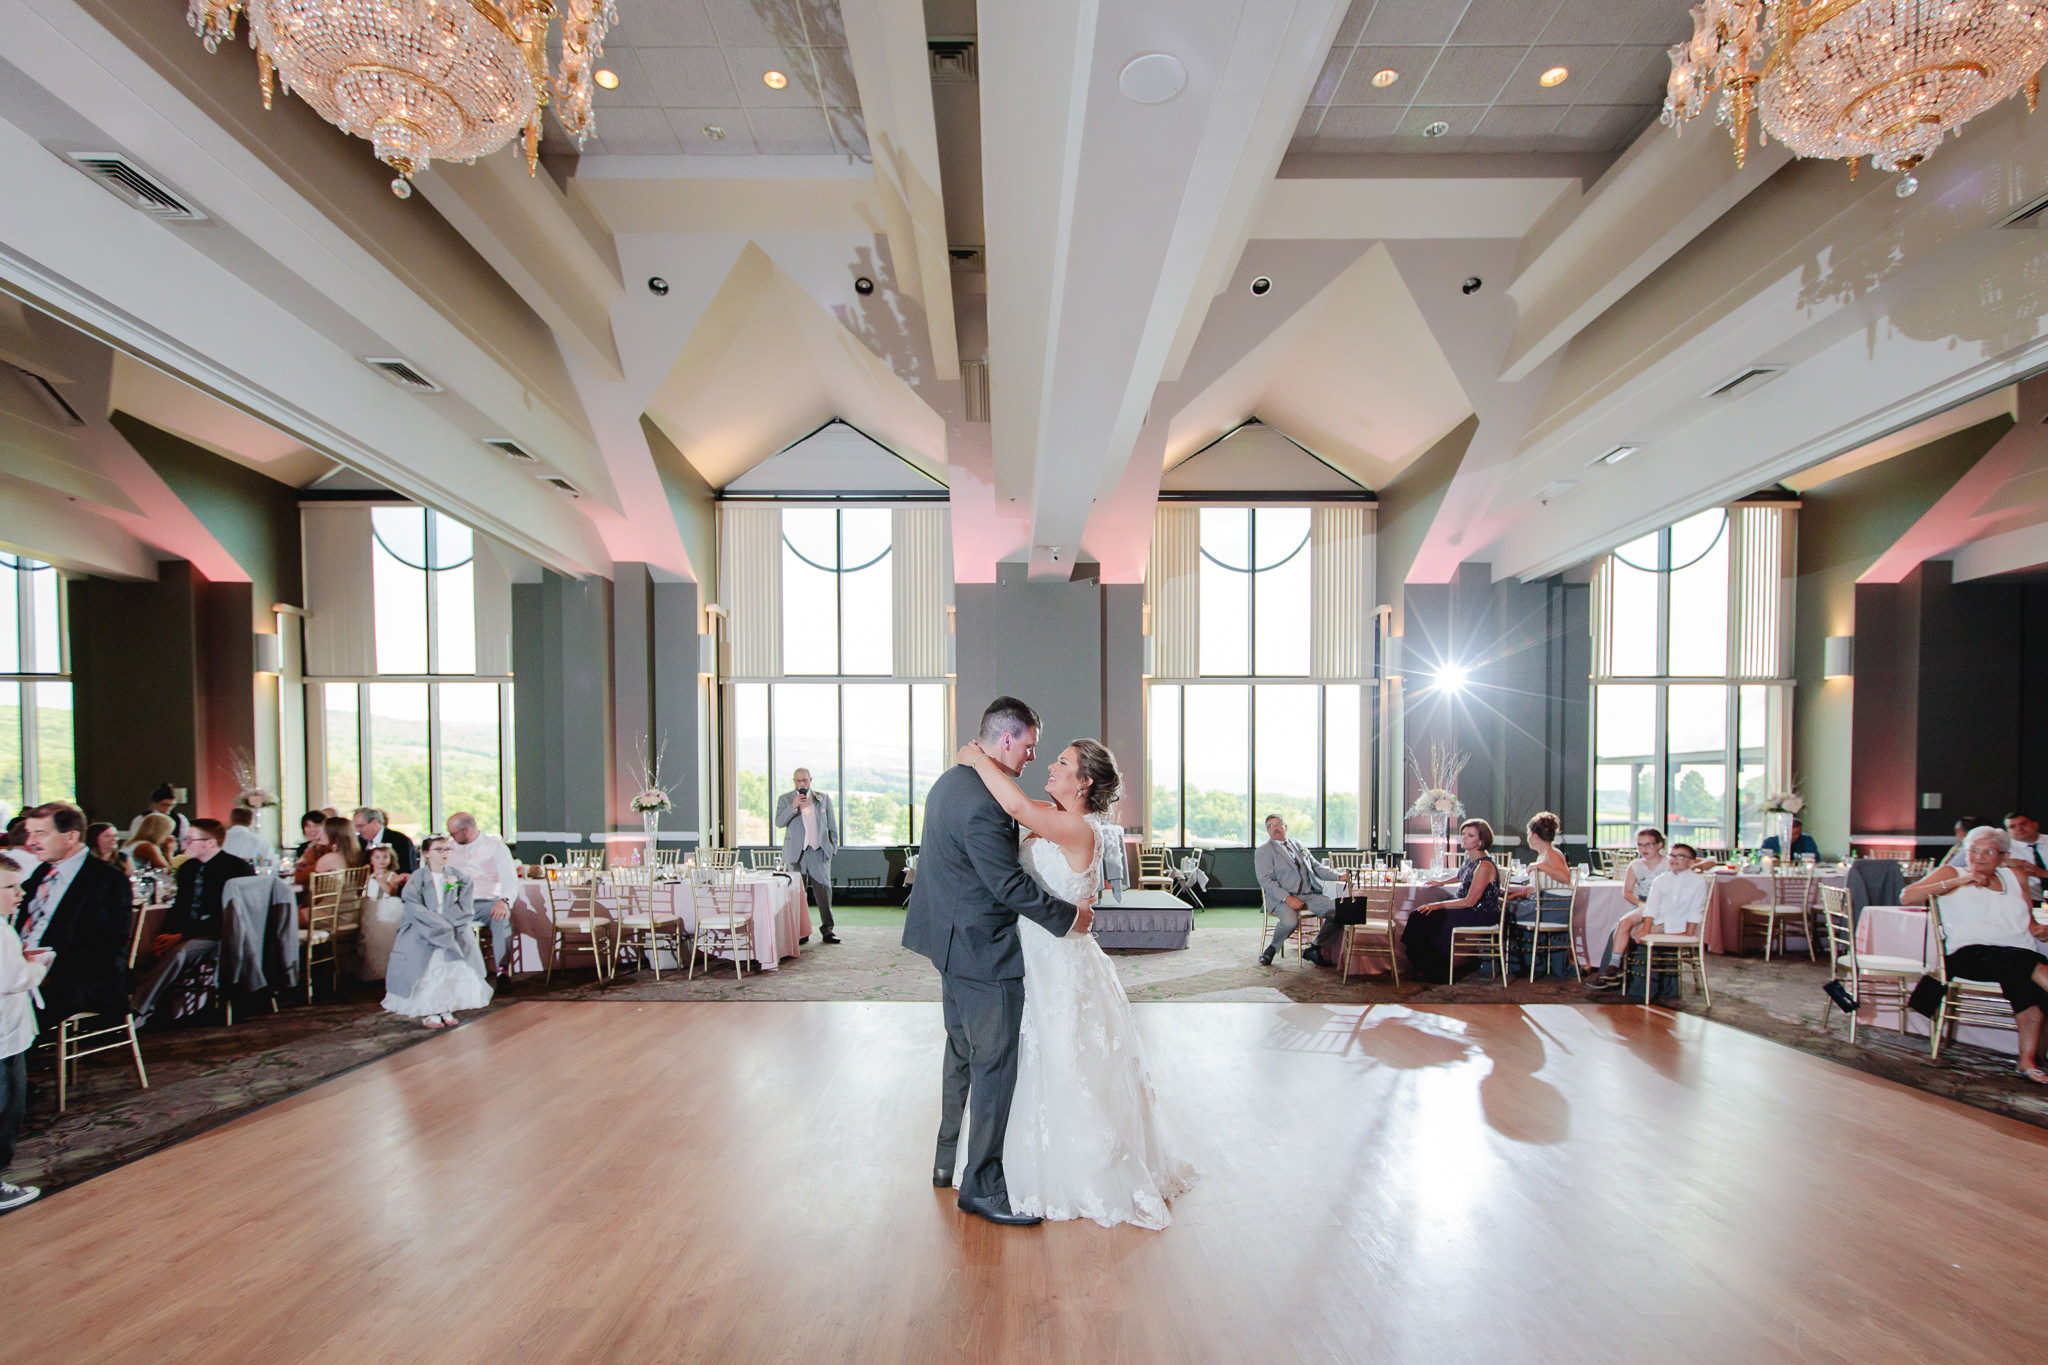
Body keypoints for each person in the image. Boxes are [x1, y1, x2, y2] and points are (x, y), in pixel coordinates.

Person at [951, 733, 1194, 1228]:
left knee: (1065, 1059)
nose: (1051, 766)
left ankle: (1079, 1172)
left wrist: (976, 757)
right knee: (1034, 1059)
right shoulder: (1056, 818)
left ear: (1084, 782)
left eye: (1062, 762)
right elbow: (1020, 806)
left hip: (1060, 961)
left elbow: (1015, 804)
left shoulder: (1078, 829)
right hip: (1037, 952)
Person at [902, 696, 1094, 1228]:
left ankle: (947, 1161)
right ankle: (982, 1188)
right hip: (981, 950)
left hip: (948, 941)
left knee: (962, 1051)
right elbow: (1007, 885)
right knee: (995, 1062)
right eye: (1031, 746)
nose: (1034, 756)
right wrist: (1067, 918)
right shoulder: (985, 800)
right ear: (1006, 739)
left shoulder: (954, 780)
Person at [1904, 826, 2048, 1083]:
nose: (1979, 857)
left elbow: (2028, 916)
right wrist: (1961, 881)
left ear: (2003, 856)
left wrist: (2039, 928)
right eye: (1973, 851)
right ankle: (2027, 1059)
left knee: (2024, 980)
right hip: (1969, 955)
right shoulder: (1952, 872)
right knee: (2029, 966)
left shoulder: (2016, 877)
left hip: (2016, 953)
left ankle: (2026, 1060)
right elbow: (1907, 897)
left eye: (1988, 852)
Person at [16, 803, 132, 1031]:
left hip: (79, 977)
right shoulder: (41, 872)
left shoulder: (107, 880)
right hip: (28, 968)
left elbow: (105, 946)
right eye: (29, 833)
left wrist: (45, 970)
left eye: (40, 833)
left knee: (14, 1007)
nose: (30, 842)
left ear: (71, 837)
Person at [130, 820, 254, 1027]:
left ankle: (136, 1010)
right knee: (144, 948)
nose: (184, 844)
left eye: (189, 839)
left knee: (180, 953)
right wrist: (166, 935)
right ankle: (159, 1010)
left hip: (222, 934)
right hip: (188, 933)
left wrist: (180, 936)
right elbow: (180, 907)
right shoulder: (189, 868)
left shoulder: (237, 868)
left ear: (209, 843)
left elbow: (230, 917)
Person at [381, 834, 493, 1029]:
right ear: (426, 853)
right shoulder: (418, 877)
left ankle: (446, 1007)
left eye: (447, 849)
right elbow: (413, 904)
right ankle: (429, 1010)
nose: (444, 854)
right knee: (427, 970)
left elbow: (464, 905)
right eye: (438, 850)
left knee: (451, 969)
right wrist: (435, 922)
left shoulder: (456, 876)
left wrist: (449, 921)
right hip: (424, 929)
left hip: (450, 928)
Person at [1, 861, 53, 1212]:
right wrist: (38, 966)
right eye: (10, 888)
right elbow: (11, 981)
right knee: (7, 1106)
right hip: (4, 1037)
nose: (20, 894)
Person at [1589, 843, 1711, 990]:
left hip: (1673, 924)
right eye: (1672, 855)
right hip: (1656, 918)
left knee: (1623, 930)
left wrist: (1689, 933)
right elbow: (1651, 907)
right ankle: (1614, 968)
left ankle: (1616, 969)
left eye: (1681, 856)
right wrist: (1646, 928)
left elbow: (1695, 910)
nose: (1675, 859)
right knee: (1623, 925)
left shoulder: (1698, 882)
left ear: (1691, 862)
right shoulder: (1661, 880)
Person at [1401, 818, 1505, 982]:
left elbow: (1470, 901)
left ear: (1481, 841)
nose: (1463, 838)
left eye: (1470, 835)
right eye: (1463, 833)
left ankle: (1434, 971)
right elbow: (1460, 876)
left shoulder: (1484, 866)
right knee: (1418, 916)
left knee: (1431, 917)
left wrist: (1437, 905)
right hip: (1466, 907)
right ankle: (1422, 965)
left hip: (1480, 913)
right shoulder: (1470, 857)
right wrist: (1441, 882)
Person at [1254, 814, 1350, 968]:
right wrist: (1287, 898)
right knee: (1290, 922)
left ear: (1286, 826)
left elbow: (1316, 867)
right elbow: (1266, 881)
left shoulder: (1298, 844)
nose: (1275, 828)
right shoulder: (1263, 851)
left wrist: (1338, 876)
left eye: (1278, 824)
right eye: (1270, 826)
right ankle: (1271, 949)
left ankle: (1315, 947)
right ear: (1267, 831)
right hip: (1282, 898)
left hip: (1308, 895)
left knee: (1340, 912)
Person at [446, 812, 518, 988]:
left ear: (467, 831)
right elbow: (446, 880)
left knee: (501, 917)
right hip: (457, 904)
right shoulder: (449, 849)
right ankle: (456, 973)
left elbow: (510, 881)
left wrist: (504, 902)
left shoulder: (496, 848)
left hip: (486, 902)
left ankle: (502, 971)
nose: (451, 837)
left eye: (454, 833)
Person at [774, 769, 841, 945]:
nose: (801, 784)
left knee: (824, 893)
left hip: (818, 852)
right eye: (798, 781)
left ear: (810, 780)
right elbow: (779, 823)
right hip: (796, 854)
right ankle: (801, 932)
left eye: (804, 780)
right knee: (796, 895)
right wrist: (793, 806)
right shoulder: (785, 799)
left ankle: (828, 930)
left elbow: (832, 825)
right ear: (794, 781)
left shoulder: (823, 798)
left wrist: (832, 847)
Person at [357, 845, 410, 980]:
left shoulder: (391, 875)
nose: (381, 860)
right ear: (371, 859)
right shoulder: (368, 875)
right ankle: (375, 968)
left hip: (387, 906)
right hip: (371, 906)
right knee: (370, 939)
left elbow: (390, 891)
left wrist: (380, 880)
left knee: (386, 938)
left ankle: (389, 969)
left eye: (385, 857)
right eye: (377, 857)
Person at [352, 808, 416, 874]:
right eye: (355, 827)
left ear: (375, 822)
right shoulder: (359, 842)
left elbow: (407, 871)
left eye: (360, 826)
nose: (357, 830)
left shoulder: (399, 840)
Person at [2001, 812, 2048, 899]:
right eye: (2013, 827)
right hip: (2028, 900)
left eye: (2023, 824)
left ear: (2035, 824)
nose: (2019, 828)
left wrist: (2043, 873)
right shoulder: (2005, 850)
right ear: (2007, 832)